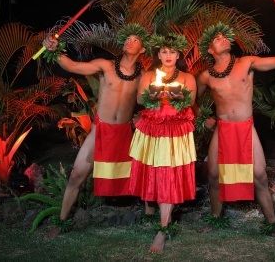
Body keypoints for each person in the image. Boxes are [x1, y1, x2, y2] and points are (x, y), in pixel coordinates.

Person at [195, 22, 275, 241]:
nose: (223, 39)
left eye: (225, 36)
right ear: (210, 50)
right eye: (217, 38)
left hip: (245, 128)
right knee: (213, 175)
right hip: (222, 129)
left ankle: (274, 226)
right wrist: (203, 118)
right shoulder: (206, 76)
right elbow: (191, 98)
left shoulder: (246, 62)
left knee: (260, 176)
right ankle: (215, 219)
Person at [42, 23, 151, 238]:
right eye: (127, 39)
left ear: (143, 49)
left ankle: (150, 217)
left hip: (125, 133)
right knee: (76, 176)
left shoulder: (144, 75)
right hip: (101, 130)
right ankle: (61, 222)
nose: (129, 42)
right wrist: (55, 51)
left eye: (135, 40)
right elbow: (74, 66)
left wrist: (142, 115)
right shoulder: (106, 65)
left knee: (142, 173)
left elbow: (147, 100)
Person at [128, 33, 197, 253]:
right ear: (158, 54)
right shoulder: (149, 74)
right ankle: (156, 214)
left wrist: (171, 93)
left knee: (168, 173)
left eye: (173, 51)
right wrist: (157, 92)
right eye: (164, 51)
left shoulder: (187, 77)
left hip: (175, 131)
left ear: (178, 54)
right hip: (152, 129)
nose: (168, 55)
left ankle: (163, 229)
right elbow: (140, 99)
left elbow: (190, 100)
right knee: (154, 173)